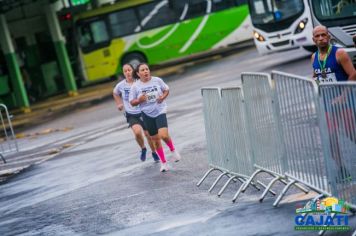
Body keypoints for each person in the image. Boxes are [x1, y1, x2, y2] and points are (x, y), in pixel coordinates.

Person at [311, 25, 356, 182]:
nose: (321, 38)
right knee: (331, 137)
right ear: (313, 39)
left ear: (329, 37)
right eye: (318, 36)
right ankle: (342, 169)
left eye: (324, 35)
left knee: (352, 134)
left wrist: (343, 96)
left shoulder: (340, 53)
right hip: (328, 104)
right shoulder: (314, 57)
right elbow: (316, 75)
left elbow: (353, 74)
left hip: (346, 103)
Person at [129, 63, 181, 172]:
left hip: (160, 110)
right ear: (138, 73)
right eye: (142, 70)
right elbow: (132, 102)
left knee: (163, 135)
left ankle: (173, 150)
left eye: (147, 69)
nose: (146, 71)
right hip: (146, 113)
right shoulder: (135, 86)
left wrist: (163, 97)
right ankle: (164, 163)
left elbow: (166, 90)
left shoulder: (157, 80)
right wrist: (139, 100)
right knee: (155, 140)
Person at [113, 63, 160, 163]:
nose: (127, 72)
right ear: (123, 73)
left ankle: (154, 152)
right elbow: (115, 93)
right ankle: (143, 148)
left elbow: (149, 92)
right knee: (138, 133)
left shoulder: (139, 82)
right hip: (131, 114)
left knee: (148, 134)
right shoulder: (121, 85)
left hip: (144, 112)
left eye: (129, 70)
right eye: (125, 71)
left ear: (133, 71)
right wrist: (119, 104)